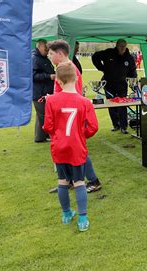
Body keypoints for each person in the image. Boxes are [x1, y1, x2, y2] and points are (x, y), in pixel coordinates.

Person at [43, 62, 98, 232]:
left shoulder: (51, 100)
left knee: (62, 181)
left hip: (59, 146)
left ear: (58, 80)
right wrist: (82, 135)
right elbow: (93, 127)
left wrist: (58, 135)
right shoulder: (84, 102)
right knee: (79, 181)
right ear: (76, 78)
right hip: (76, 147)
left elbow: (47, 126)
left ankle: (66, 214)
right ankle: (82, 218)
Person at [47, 40, 102, 194]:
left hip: (70, 116)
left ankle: (93, 180)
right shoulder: (62, 68)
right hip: (63, 115)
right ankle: (67, 181)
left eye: (51, 54)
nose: (49, 57)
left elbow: (75, 96)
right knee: (68, 149)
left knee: (78, 150)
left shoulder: (71, 70)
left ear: (59, 54)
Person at [92, 39, 137, 134]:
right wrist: (102, 68)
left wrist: (133, 83)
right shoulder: (108, 52)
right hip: (108, 83)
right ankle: (116, 125)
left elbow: (133, 71)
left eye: (123, 46)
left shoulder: (129, 58)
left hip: (122, 85)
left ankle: (124, 127)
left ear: (126, 46)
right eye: (120, 46)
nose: (122, 48)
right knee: (111, 104)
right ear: (116, 45)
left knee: (122, 105)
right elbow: (95, 56)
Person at [32, 39, 55, 143]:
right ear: (40, 46)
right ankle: (41, 137)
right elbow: (32, 76)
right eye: (46, 48)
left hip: (45, 91)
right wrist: (49, 76)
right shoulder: (35, 59)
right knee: (43, 115)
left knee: (41, 115)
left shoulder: (43, 58)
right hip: (39, 92)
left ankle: (40, 136)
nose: (47, 50)